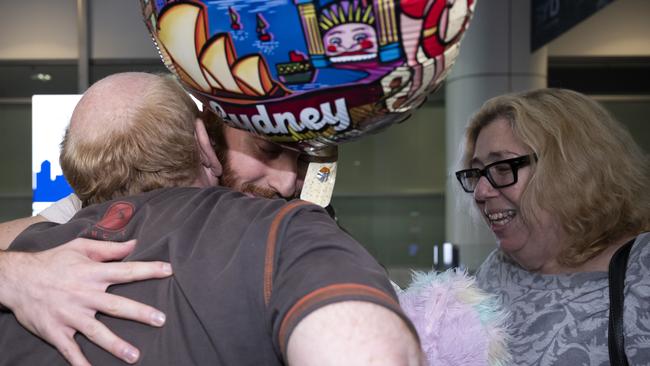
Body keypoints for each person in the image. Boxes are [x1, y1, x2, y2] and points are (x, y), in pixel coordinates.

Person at [0, 72, 424, 365]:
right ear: (205, 134)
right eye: (267, 149)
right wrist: (21, 274)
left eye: (304, 162)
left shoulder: (294, 227)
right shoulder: (291, 231)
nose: (287, 182)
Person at [454, 88, 650, 365]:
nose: (480, 192)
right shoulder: (497, 270)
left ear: (572, 170)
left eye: (502, 168)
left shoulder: (641, 271)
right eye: (478, 173)